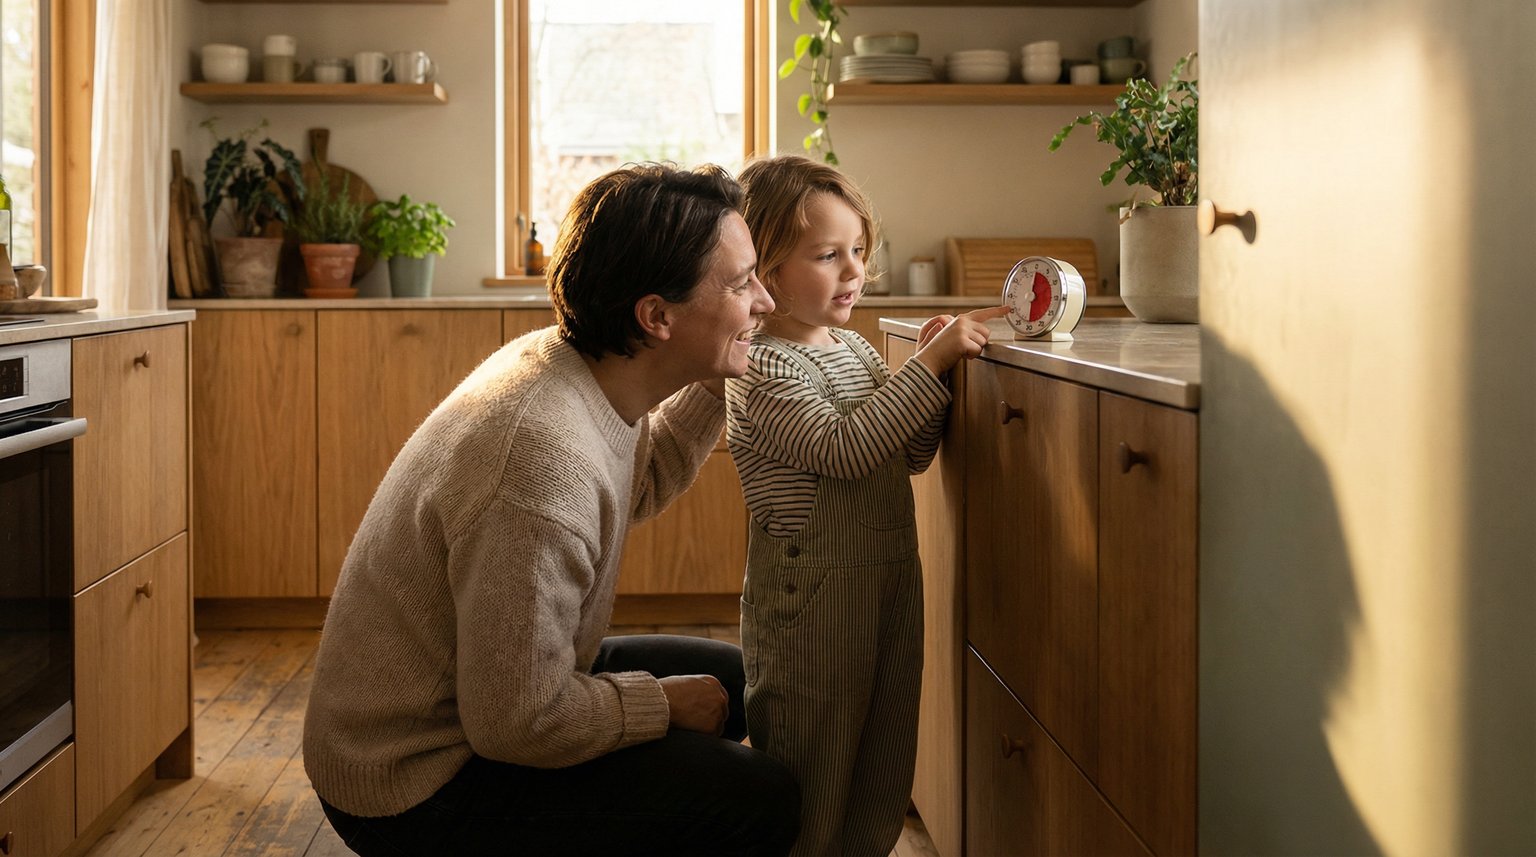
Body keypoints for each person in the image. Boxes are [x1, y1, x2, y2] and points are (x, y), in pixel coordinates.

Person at [303, 162, 800, 857]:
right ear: (656, 316)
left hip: (488, 694)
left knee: (743, 684)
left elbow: (642, 477)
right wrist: (660, 705)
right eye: (742, 282)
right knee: (760, 799)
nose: (766, 302)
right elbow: (517, 721)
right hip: (415, 781)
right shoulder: (536, 464)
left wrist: (723, 371)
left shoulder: (578, 368)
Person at [726, 154, 1008, 857]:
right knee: (812, 768)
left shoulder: (852, 349)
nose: (853, 270)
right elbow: (846, 447)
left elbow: (906, 452)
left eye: (857, 251)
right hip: (809, 602)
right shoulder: (761, 366)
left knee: (881, 756)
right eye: (827, 255)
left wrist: (937, 384)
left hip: (886, 580)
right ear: (762, 271)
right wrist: (928, 365)